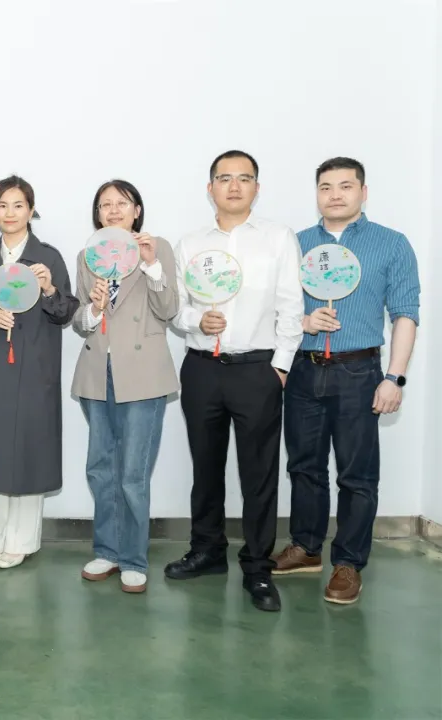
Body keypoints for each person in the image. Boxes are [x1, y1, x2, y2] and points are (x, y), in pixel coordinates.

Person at [273, 157, 420, 605]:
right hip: (303, 368)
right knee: (304, 466)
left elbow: (405, 314)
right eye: (325, 187)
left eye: (345, 186)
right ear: (316, 193)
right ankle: (306, 546)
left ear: (363, 192)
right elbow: (276, 310)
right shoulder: (296, 244)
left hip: (359, 372)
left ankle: (349, 562)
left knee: (357, 474)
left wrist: (394, 377)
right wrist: (304, 322)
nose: (335, 194)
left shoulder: (391, 244)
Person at [165, 150, 304, 612]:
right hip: (202, 367)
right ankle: (207, 550)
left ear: (256, 188)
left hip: (257, 370)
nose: (234, 186)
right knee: (205, 467)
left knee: (258, 473)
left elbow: (291, 306)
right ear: (210, 189)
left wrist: (280, 367)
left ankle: (258, 566)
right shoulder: (190, 244)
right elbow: (177, 307)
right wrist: (196, 321)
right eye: (224, 178)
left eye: (244, 178)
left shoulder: (278, 238)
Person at [73, 180, 178, 593]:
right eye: (105, 204)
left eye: (122, 202)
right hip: (98, 371)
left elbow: (169, 310)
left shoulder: (157, 248)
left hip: (143, 373)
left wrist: (151, 266)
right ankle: (108, 551)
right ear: (97, 214)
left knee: (133, 473)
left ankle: (134, 558)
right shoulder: (87, 255)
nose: (113, 210)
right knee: (101, 467)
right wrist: (94, 307)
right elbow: (80, 320)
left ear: (137, 210)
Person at [0, 176, 78, 569]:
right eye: (3, 205)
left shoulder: (48, 258)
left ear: (31, 211)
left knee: (31, 447)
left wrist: (48, 289)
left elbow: (66, 313)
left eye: (18, 205)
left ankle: (23, 540)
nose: (10, 213)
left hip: (35, 360)